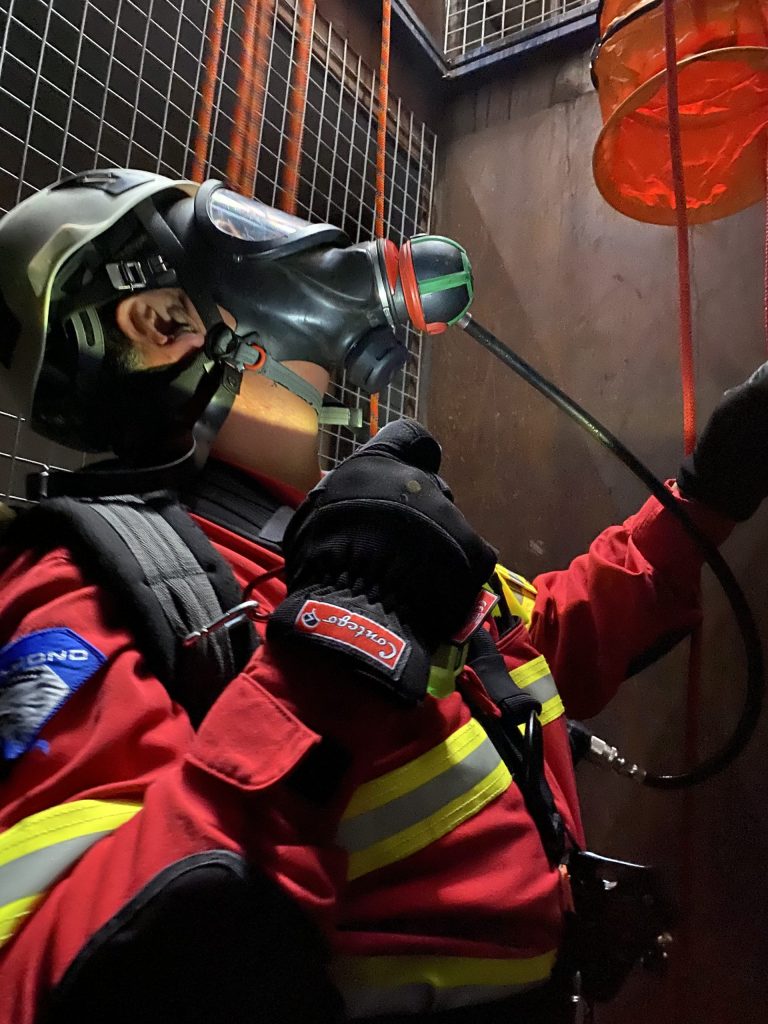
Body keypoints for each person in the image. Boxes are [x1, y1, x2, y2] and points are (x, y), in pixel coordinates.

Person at [0, 168, 764, 1024]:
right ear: (159, 321)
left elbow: (548, 639)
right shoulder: (89, 585)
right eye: (240, 231)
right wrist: (337, 654)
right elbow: (58, 979)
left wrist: (711, 489)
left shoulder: (344, 541)